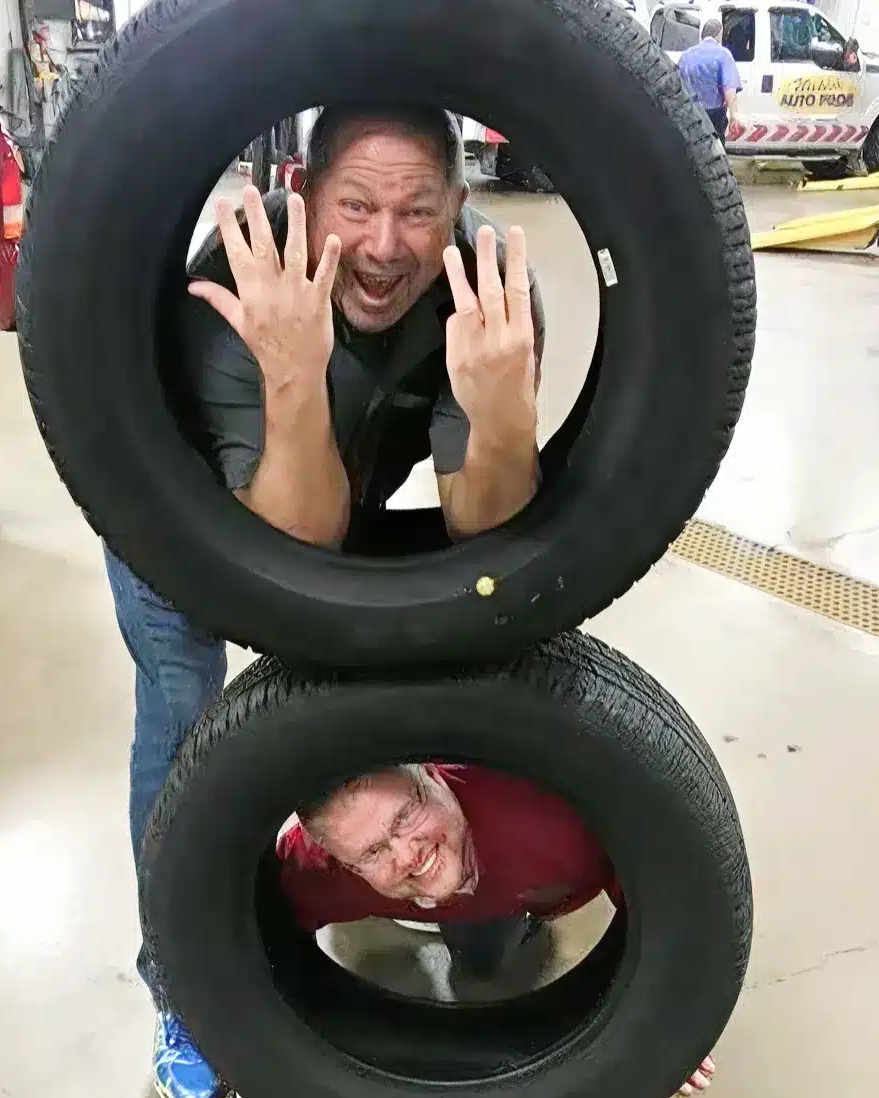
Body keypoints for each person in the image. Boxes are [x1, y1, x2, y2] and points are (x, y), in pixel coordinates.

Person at [102, 104, 546, 1098]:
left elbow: (486, 537)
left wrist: (500, 409)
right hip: (176, 521)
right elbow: (285, 550)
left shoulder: (487, 291)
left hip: (332, 501)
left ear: (458, 206)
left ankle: (467, 883)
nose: (386, 246)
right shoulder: (237, 273)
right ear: (303, 194)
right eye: (356, 205)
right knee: (185, 725)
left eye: (416, 210)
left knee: (462, 652)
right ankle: (186, 995)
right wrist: (293, 373)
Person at [279, 763, 718, 1097]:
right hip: (469, 908)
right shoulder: (321, 872)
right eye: (373, 851)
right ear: (345, 863)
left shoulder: (548, 808)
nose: (407, 854)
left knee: (492, 953)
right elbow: (244, 937)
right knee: (480, 958)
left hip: (533, 885)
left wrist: (669, 1020)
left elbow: (664, 894)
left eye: (405, 815)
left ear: (431, 773)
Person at [678, 19, 743, 148]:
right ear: (719, 34)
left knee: (694, 149)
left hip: (690, 113)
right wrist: (733, 116)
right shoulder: (723, 54)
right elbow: (729, 89)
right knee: (715, 149)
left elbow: (678, 87)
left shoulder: (685, 56)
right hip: (714, 114)